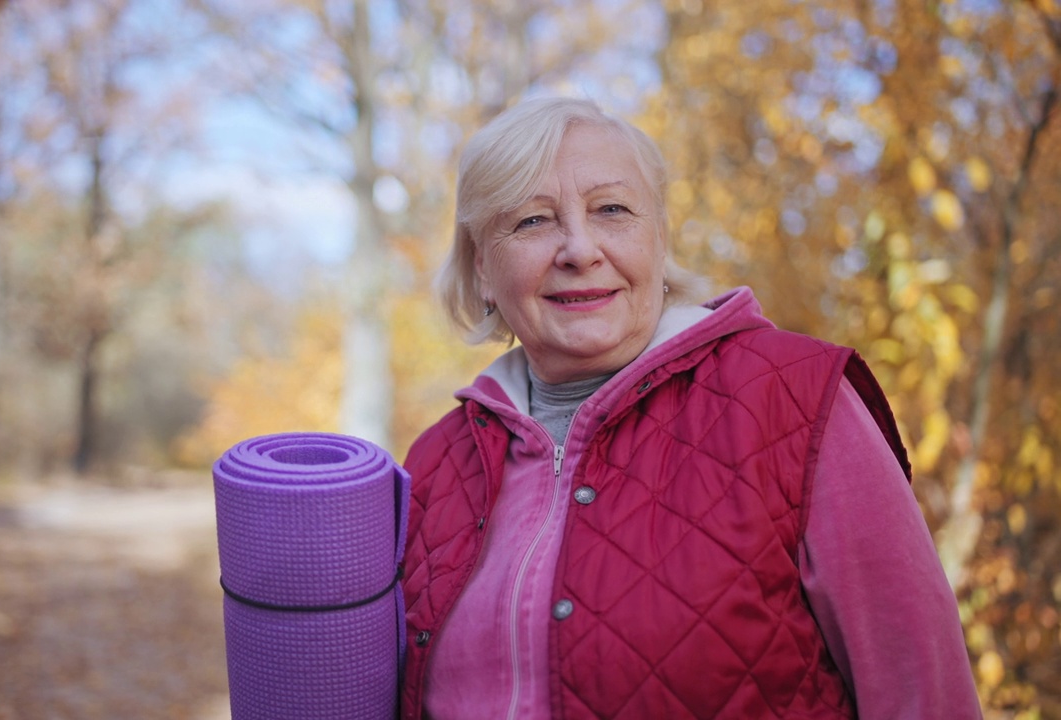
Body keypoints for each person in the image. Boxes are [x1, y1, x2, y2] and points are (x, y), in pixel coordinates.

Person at [399, 96, 982, 719]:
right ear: (483, 268)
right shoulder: (435, 462)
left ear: (659, 240)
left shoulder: (797, 398)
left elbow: (922, 690)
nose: (579, 249)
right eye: (533, 222)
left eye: (612, 210)